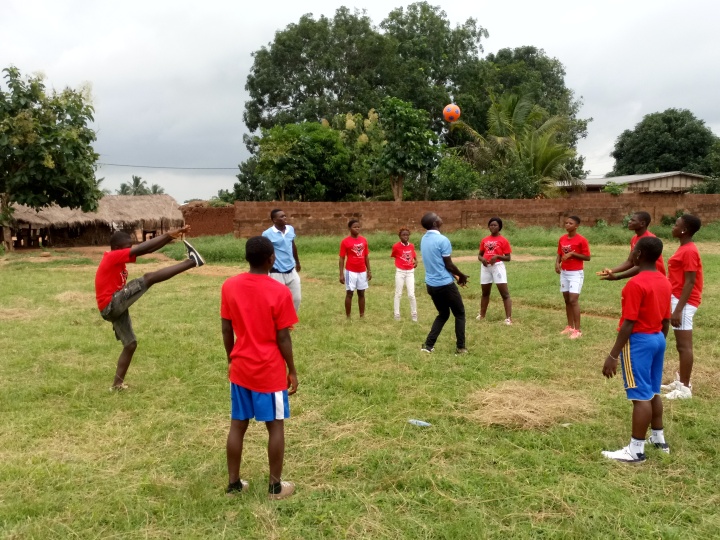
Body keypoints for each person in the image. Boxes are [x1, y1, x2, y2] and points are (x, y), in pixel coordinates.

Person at [221, 236, 298, 500]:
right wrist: (293, 370)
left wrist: (231, 357)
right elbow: (283, 337)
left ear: (246, 258)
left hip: (240, 368)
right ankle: (275, 487)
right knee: (275, 427)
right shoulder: (280, 292)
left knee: (237, 426)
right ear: (271, 259)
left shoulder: (229, 286)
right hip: (269, 370)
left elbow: (226, 327)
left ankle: (233, 485)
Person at [95, 226, 204, 390]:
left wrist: (169, 238)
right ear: (117, 249)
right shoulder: (111, 257)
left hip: (114, 306)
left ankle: (117, 385)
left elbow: (146, 250)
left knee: (130, 344)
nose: (130, 250)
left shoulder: (118, 261)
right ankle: (191, 262)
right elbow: (142, 249)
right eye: (127, 247)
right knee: (149, 278)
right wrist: (167, 235)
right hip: (111, 304)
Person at [601, 236, 672, 462]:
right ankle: (659, 439)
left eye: (633, 251)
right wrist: (659, 340)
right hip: (658, 338)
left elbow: (629, 323)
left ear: (638, 255)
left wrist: (613, 355)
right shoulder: (664, 280)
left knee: (640, 396)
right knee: (653, 391)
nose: (631, 254)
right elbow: (666, 320)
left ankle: (635, 450)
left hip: (639, 342)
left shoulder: (636, 284)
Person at [662, 214, 703, 400]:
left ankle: (685, 388)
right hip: (677, 299)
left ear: (684, 230)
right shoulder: (684, 248)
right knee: (681, 345)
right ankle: (680, 380)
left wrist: (678, 309)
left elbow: (690, 282)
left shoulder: (689, 251)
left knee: (684, 346)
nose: (673, 227)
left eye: (676, 224)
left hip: (684, 302)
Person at [419, 212, 470, 354]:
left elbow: (438, 264)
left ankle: (428, 346)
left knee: (443, 314)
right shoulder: (443, 240)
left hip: (431, 285)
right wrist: (461, 275)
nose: (441, 217)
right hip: (445, 285)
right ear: (435, 223)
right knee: (459, 314)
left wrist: (456, 276)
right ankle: (461, 347)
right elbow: (449, 265)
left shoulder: (423, 239)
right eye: (438, 217)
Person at [598, 211, 665, 280]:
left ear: (642, 223)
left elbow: (641, 265)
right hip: (644, 275)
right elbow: (630, 262)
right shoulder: (634, 238)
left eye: (633, 220)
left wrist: (618, 277)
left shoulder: (649, 239)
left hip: (655, 277)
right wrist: (611, 271)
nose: (629, 222)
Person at [555, 216, 591, 339]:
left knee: (573, 300)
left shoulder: (581, 240)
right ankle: (569, 326)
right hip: (564, 272)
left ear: (576, 226)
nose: (567, 225)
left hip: (576, 273)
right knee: (566, 300)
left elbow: (587, 257)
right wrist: (557, 264)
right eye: (566, 223)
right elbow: (559, 253)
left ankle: (577, 330)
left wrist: (572, 254)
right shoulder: (562, 239)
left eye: (570, 223)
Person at [262, 208, 302, 312]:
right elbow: (266, 252)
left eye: (285, 215)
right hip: (276, 271)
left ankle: (289, 322)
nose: (285, 218)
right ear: (274, 220)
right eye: (281, 216)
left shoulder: (290, 229)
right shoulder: (267, 234)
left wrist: (297, 262)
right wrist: (267, 269)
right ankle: (277, 323)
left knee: (296, 298)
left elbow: (293, 245)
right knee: (277, 300)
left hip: (291, 269)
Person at [477, 217, 512, 325]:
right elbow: (479, 254)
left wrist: (497, 256)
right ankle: (482, 315)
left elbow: (508, 258)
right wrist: (482, 259)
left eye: (495, 225)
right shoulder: (485, 240)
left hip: (497, 266)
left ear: (499, 227)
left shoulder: (503, 240)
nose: (493, 227)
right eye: (491, 225)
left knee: (504, 293)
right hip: (486, 267)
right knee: (485, 292)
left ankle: (508, 318)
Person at [339, 219, 371, 318]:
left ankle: (362, 315)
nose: (357, 228)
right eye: (355, 227)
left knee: (361, 293)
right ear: (349, 229)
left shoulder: (364, 240)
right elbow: (342, 258)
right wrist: (341, 274)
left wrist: (369, 270)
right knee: (350, 293)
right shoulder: (345, 242)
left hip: (362, 271)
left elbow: (366, 256)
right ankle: (348, 316)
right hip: (350, 271)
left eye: (358, 227)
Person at [390, 227, 418, 322]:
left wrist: (416, 261)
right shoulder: (396, 246)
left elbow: (413, 255)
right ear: (399, 236)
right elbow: (394, 255)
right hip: (400, 272)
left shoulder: (411, 246)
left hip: (410, 272)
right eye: (403, 235)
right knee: (398, 293)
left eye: (407, 235)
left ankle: (414, 314)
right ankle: (396, 315)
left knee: (411, 294)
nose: (405, 236)